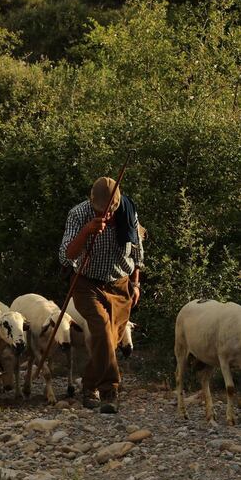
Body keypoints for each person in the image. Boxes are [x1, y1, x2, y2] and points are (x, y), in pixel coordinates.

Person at [60, 176, 144, 414]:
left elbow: (137, 253)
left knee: (110, 340)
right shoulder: (78, 214)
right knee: (100, 327)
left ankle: (89, 384)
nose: (105, 215)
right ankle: (110, 390)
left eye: (110, 210)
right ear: (91, 201)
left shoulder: (128, 211)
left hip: (120, 284)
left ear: (117, 204)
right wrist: (87, 230)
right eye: (99, 210)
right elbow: (66, 255)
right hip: (87, 284)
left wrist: (136, 285)